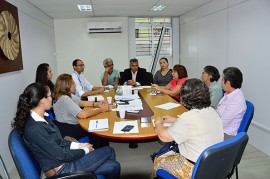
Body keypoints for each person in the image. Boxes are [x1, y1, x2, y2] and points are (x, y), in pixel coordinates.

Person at [11, 83, 120, 178]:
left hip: (64, 163)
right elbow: (61, 155)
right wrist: (85, 150)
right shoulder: (34, 129)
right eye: (50, 95)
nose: (52, 98)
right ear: (42, 100)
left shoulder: (43, 117)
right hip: (62, 171)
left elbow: (59, 141)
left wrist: (79, 146)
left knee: (114, 167)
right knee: (109, 151)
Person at [152, 78, 223, 178]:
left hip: (194, 168)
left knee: (159, 159)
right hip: (213, 164)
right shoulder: (212, 111)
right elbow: (198, 123)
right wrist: (175, 119)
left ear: (185, 96)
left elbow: (164, 137)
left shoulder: (187, 118)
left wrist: (158, 123)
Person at [53, 74, 110, 149]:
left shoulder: (68, 95)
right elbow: (83, 115)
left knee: (96, 125)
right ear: (66, 86)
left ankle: (104, 149)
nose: (75, 85)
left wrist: (97, 104)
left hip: (70, 124)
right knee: (96, 131)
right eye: (73, 83)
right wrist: (101, 109)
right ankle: (100, 151)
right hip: (68, 128)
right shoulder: (64, 99)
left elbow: (80, 102)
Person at [216, 67, 247, 136]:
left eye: (222, 80)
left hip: (225, 134)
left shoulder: (237, 101)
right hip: (218, 128)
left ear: (228, 82)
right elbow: (218, 110)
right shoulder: (228, 93)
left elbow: (221, 124)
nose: (221, 83)